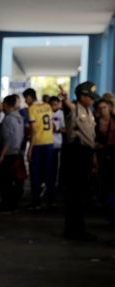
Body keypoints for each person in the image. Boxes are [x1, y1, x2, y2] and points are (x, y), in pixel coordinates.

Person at [60, 82, 99, 240]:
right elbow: (68, 106)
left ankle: (78, 228)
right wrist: (65, 98)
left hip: (86, 154)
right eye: (90, 97)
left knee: (82, 195)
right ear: (82, 96)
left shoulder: (88, 111)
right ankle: (74, 230)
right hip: (76, 154)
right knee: (75, 195)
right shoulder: (74, 108)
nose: (92, 101)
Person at [23, 88, 55, 210]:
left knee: (35, 173)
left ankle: (36, 202)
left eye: (26, 98)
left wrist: (30, 149)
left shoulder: (31, 109)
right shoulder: (47, 106)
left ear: (30, 97)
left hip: (38, 144)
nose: (25, 101)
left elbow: (34, 131)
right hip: (49, 143)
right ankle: (50, 200)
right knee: (49, 173)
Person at [0, 94, 25, 211]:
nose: (2, 106)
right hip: (17, 153)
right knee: (15, 180)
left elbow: (7, 139)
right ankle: (13, 204)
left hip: (8, 154)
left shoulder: (8, 119)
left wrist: (1, 155)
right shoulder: (19, 118)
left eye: (3, 103)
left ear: (8, 105)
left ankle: (6, 205)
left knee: (6, 182)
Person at [95, 98, 115, 225]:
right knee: (103, 182)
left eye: (105, 107)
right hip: (101, 154)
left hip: (113, 154)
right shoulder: (96, 122)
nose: (102, 110)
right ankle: (105, 207)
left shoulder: (114, 120)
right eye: (100, 108)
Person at [49, 96, 65, 195]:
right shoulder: (47, 113)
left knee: (60, 167)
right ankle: (50, 185)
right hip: (50, 144)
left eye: (56, 104)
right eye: (52, 105)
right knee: (51, 167)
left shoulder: (62, 114)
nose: (54, 107)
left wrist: (57, 129)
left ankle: (59, 186)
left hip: (59, 143)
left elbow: (65, 128)